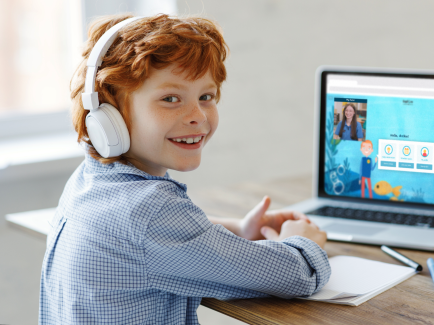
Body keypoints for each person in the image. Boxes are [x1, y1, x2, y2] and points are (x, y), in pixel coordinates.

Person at [39, 14, 330, 324]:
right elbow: (295, 276)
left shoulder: (89, 180)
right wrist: (304, 242)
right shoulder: (152, 211)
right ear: (108, 114)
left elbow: (154, 236)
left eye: (206, 96)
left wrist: (238, 230)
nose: (197, 116)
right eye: (170, 98)